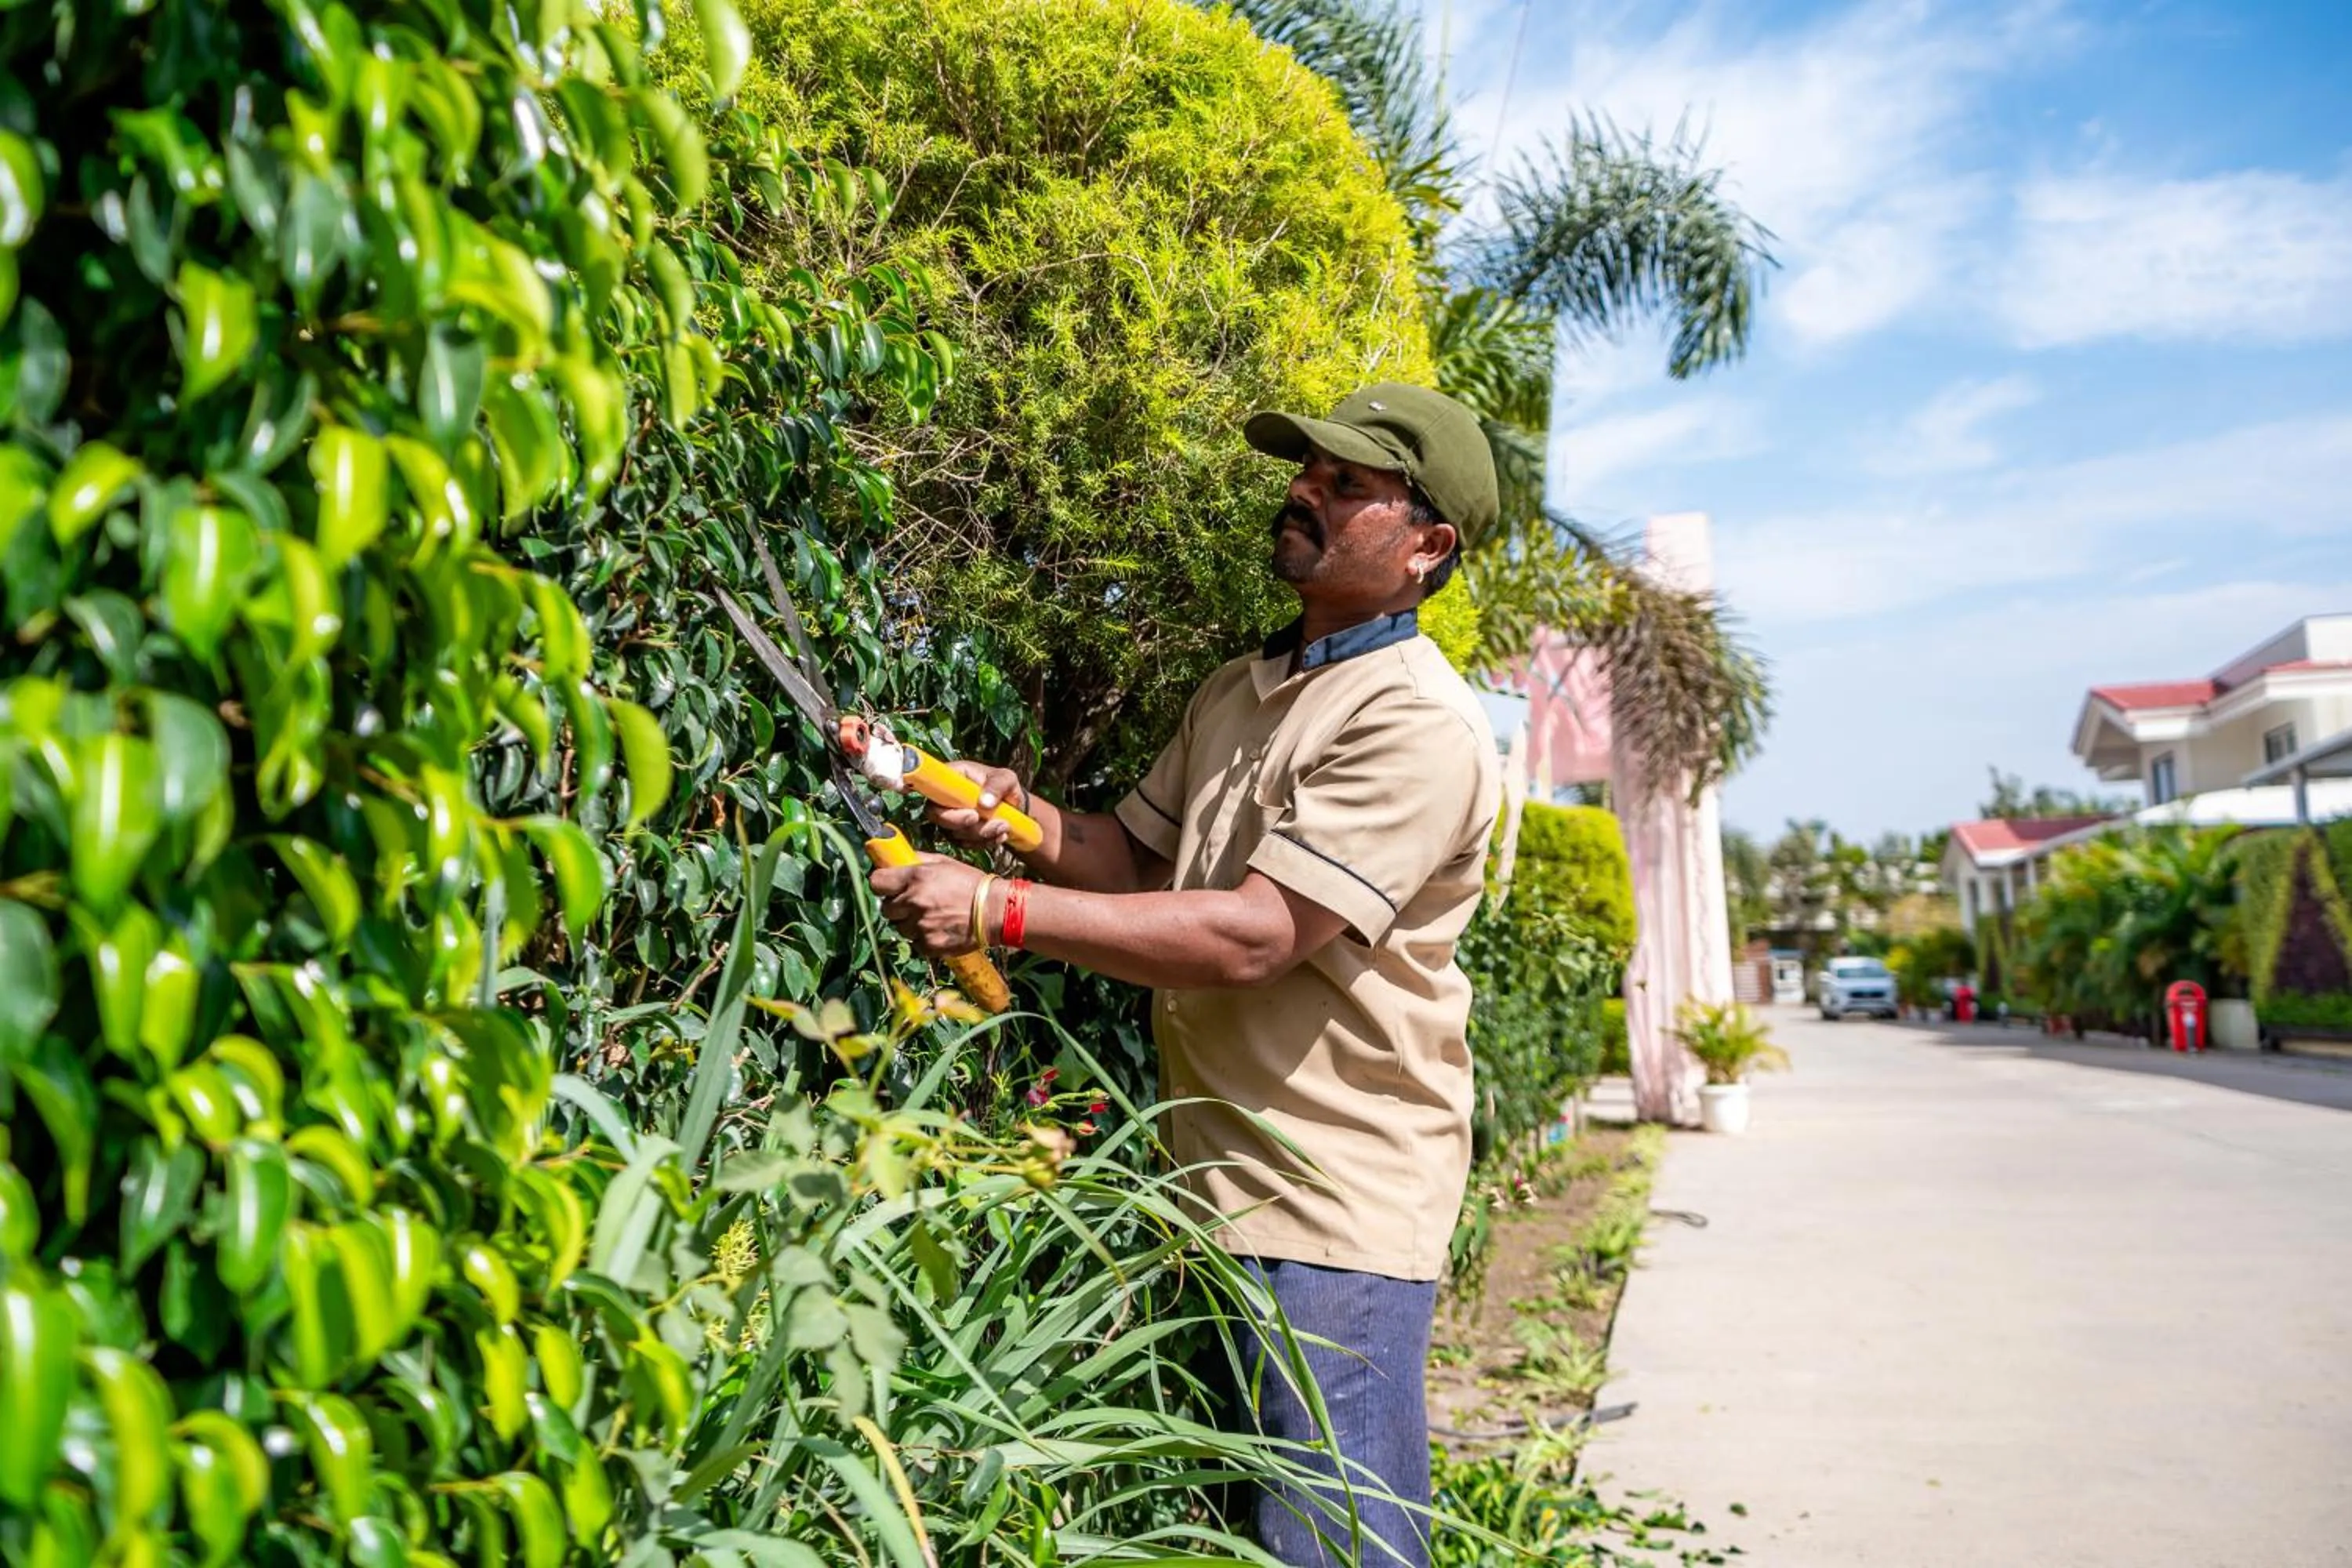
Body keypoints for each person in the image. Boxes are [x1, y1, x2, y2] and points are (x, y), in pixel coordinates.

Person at [869, 383, 1501, 1566]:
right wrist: (1006, 819)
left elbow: (1256, 935)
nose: (1306, 491)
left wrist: (996, 914)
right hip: (1207, 1194)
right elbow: (1136, 857)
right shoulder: (1242, 687)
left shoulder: (1418, 723)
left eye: (1349, 484)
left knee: (1331, 1545)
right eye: (1309, 471)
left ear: (1428, 546)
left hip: (1335, 1216)